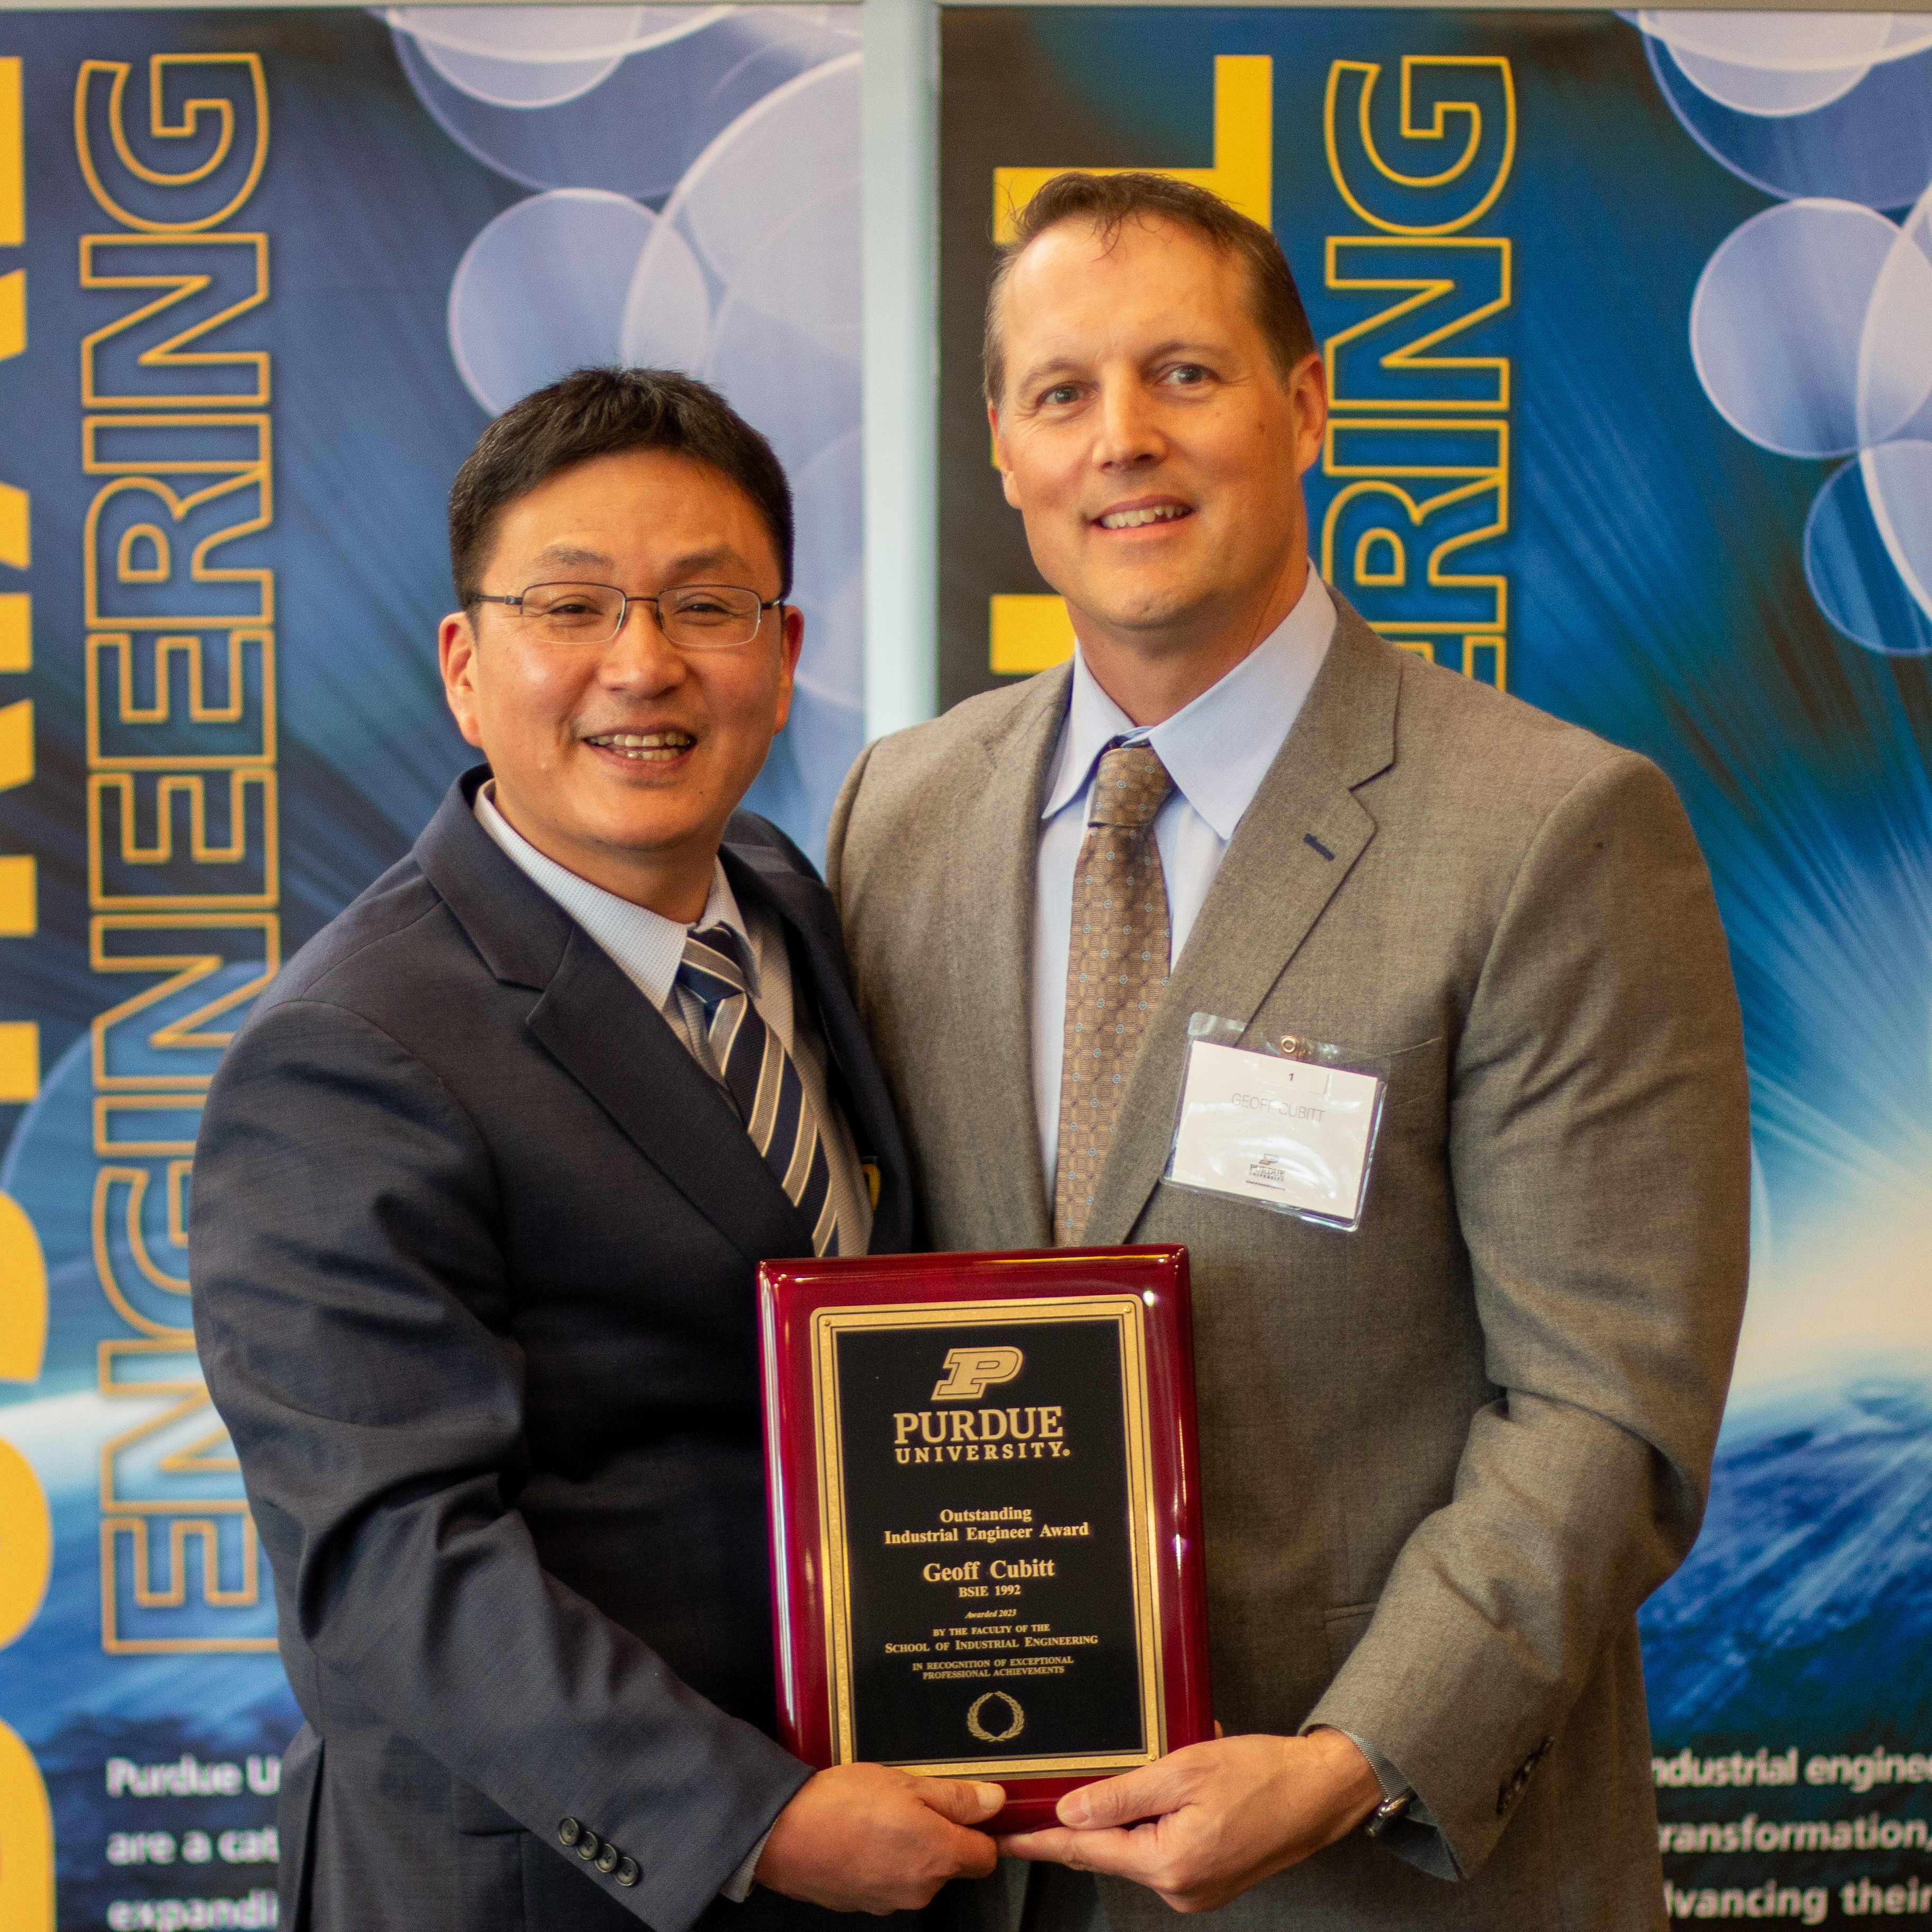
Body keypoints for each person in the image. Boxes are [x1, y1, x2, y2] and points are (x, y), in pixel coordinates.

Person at [827, 174, 1750, 1929]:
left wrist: (1349, 1760)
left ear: (1309, 405)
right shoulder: (902, 812)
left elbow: (1608, 1410)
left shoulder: (1552, 828)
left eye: (1186, 374)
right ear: (1006, 456)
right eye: (1063, 393)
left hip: (1389, 1873)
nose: (1124, 443)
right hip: (999, 1877)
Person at [191, 368, 1003, 1932]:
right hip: (546, 1883)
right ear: (465, 666)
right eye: (572, 608)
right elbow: (387, 1563)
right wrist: (757, 1820)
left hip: (881, 1845)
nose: (643, 665)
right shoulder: (347, 1054)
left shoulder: (783, 896)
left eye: (707, 605)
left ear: (784, 656)